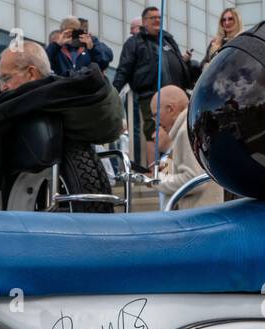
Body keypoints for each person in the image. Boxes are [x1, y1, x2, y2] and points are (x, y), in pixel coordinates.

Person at [113, 6, 199, 167]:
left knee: (181, 130)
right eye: (153, 18)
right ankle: (155, 171)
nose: (157, 20)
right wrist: (112, 94)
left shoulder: (167, 39)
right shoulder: (134, 42)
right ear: (144, 22)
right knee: (154, 133)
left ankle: (179, 167)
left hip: (176, 96)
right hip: (151, 95)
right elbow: (123, 69)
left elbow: (179, 63)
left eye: (159, 17)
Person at [150, 85, 224, 208]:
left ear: (170, 109)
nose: (155, 121)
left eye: (155, 114)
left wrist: (156, 180)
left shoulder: (186, 131)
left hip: (196, 220)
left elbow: (194, 180)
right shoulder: (193, 125)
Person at [46, 17, 112, 78]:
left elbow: (104, 63)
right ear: (62, 32)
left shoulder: (90, 43)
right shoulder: (57, 50)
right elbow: (44, 65)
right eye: (68, 32)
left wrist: (92, 48)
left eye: (75, 32)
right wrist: (57, 45)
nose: (72, 35)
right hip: (64, 87)